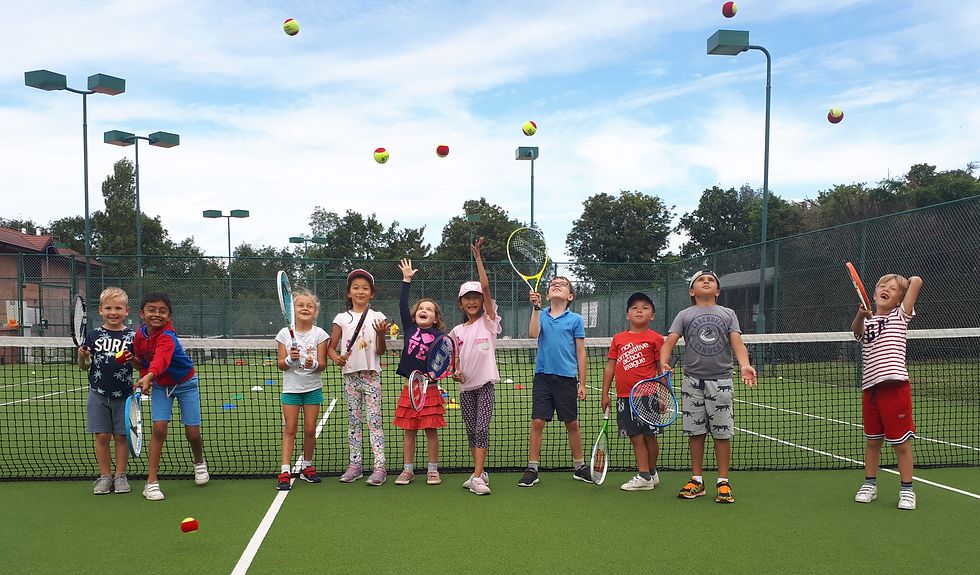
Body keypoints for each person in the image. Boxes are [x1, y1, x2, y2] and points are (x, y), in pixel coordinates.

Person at [660, 270, 757, 504]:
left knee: (722, 433)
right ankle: (697, 480)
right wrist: (663, 362)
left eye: (711, 280)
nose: (706, 282)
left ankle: (723, 482)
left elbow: (737, 343)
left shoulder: (728, 313)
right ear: (692, 291)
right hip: (692, 381)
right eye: (700, 280)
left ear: (718, 291)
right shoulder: (684, 315)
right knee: (695, 432)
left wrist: (745, 365)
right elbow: (669, 342)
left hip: (721, 381)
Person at [851, 273, 923, 510]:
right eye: (882, 286)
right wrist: (861, 314)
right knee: (873, 442)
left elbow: (917, 282)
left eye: (892, 289)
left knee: (901, 444)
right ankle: (869, 485)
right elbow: (856, 331)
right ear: (873, 295)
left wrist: (905, 282)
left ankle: (907, 491)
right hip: (871, 390)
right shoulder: (867, 322)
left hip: (896, 389)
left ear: (899, 299)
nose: (886, 289)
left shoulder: (900, 316)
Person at [128, 292, 209, 501]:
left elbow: (161, 360)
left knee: (193, 434)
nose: (157, 314)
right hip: (160, 386)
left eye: (162, 311)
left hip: (186, 384)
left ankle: (199, 462)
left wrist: (148, 377)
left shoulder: (167, 336)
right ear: (142, 313)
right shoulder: (139, 336)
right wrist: (143, 375)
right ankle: (151, 482)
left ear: (169, 316)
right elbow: (144, 363)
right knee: (158, 430)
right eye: (151, 310)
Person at [519, 276, 590, 487]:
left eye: (563, 283)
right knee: (537, 422)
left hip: (567, 378)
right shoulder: (541, 315)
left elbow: (581, 351)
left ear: (570, 296)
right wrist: (535, 308)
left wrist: (582, 383)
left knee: (572, 423)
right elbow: (533, 334)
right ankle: (532, 468)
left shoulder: (575, 319)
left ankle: (580, 467)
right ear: (548, 295)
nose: (556, 285)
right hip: (543, 376)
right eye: (553, 284)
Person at [327, 269, 389, 486]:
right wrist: (336, 359)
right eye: (356, 288)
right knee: (354, 422)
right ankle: (355, 465)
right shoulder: (341, 318)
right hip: (350, 377)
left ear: (372, 293)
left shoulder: (378, 317)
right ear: (349, 292)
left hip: (372, 376)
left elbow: (381, 351)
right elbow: (331, 348)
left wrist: (381, 335)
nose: (360, 291)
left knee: (375, 422)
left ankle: (379, 467)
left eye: (365, 288)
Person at [449, 238, 501, 496]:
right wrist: (456, 372)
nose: (472, 302)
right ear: (460, 303)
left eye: (476, 298)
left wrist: (478, 258)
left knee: (482, 429)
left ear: (482, 302)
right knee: (472, 431)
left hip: (485, 385)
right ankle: (479, 473)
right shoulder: (456, 331)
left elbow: (487, 288)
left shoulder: (489, 322)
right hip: (465, 388)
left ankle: (477, 477)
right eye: (467, 298)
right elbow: (455, 360)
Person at [600, 292, 665, 491]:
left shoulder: (656, 339)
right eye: (634, 308)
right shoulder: (618, 339)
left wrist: (663, 396)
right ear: (628, 315)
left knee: (650, 436)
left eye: (645, 308)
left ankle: (650, 473)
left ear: (652, 316)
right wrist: (605, 393)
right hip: (624, 398)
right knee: (635, 437)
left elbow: (661, 370)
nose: (639, 311)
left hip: (648, 397)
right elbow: (610, 367)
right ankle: (645, 475)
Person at [392, 258, 448, 486]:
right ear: (415, 315)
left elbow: (443, 363)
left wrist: (435, 375)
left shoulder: (440, 337)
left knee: (431, 431)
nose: (424, 311)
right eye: (421, 308)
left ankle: (432, 470)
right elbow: (402, 304)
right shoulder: (409, 328)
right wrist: (406, 280)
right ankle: (408, 470)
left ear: (436, 318)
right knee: (409, 431)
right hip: (409, 389)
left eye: (429, 309)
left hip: (430, 390)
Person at [78, 287, 136, 495]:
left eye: (118, 308)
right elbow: (84, 367)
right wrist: (83, 357)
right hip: (98, 394)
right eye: (109, 308)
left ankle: (120, 476)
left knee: (121, 437)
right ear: (100, 310)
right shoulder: (93, 336)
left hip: (125, 396)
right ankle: (105, 476)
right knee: (102, 436)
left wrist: (133, 359)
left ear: (126, 311)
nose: (113, 312)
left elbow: (140, 366)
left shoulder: (133, 337)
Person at [274, 289, 330, 491]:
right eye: (300, 305)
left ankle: (307, 467)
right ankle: (285, 471)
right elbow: (281, 364)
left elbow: (322, 364)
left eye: (310, 306)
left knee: (310, 429)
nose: (305, 308)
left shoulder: (320, 334)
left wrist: (312, 364)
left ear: (315, 312)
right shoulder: (284, 334)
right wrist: (290, 359)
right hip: (291, 390)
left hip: (312, 389)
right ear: (292, 311)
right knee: (290, 428)